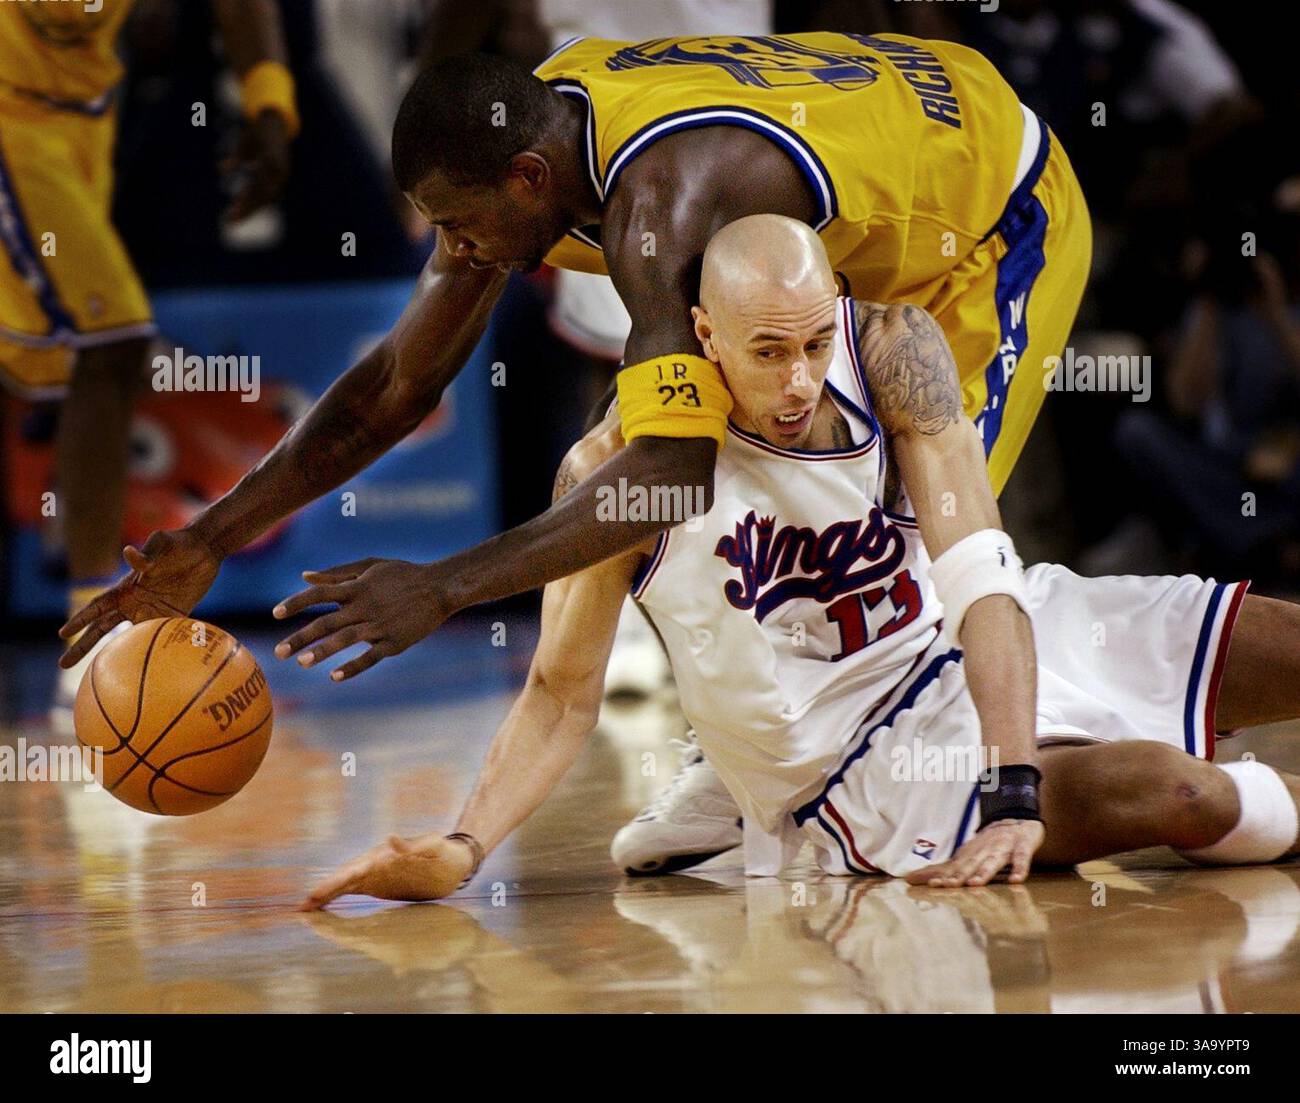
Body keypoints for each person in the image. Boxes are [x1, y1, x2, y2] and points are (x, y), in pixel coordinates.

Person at [299, 217, 1298, 909]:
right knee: (1189, 796)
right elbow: (561, 695)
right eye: (769, 352)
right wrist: (461, 846)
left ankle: (718, 798)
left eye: (816, 341)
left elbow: (983, 577)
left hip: (968, 637)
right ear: (703, 334)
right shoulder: (611, 470)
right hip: (862, 759)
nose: (800, 379)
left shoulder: (893, 350)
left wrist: (1013, 787)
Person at [0, 0, 296, 728]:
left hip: (84, 126)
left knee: (72, 363)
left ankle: (88, 631)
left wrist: (268, 101)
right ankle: (94, 643)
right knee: (113, 335)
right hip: (10, 120)